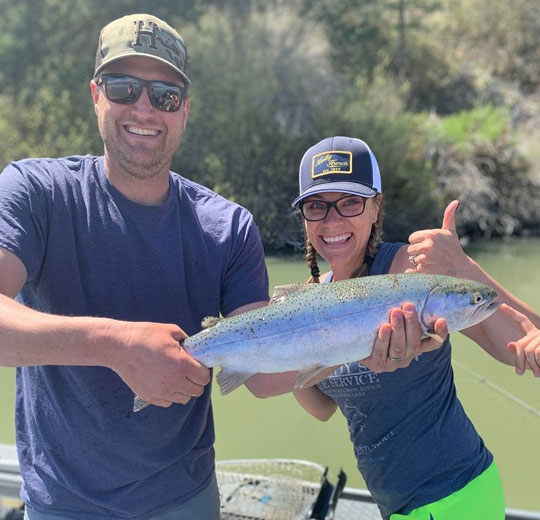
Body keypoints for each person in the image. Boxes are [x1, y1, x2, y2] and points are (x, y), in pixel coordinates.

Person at [0, 14, 270, 520]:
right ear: (96, 94)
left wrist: (362, 344)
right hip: (61, 503)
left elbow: (263, 374)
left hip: (185, 499)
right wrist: (114, 346)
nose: (144, 107)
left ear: (184, 110)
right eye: (124, 88)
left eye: (165, 95)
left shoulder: (229, 227)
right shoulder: (34, 193)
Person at [247, 136, 540, 520]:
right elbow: (322, 409)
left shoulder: (413, 271)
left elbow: (521, 340)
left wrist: (461, 267)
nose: (332, 221)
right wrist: (325, 350)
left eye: (350, 203)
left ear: (376, 207)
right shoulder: (309, 301)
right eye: (316, 207)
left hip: (456, 497)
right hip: (398, 507)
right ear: (304, 219)